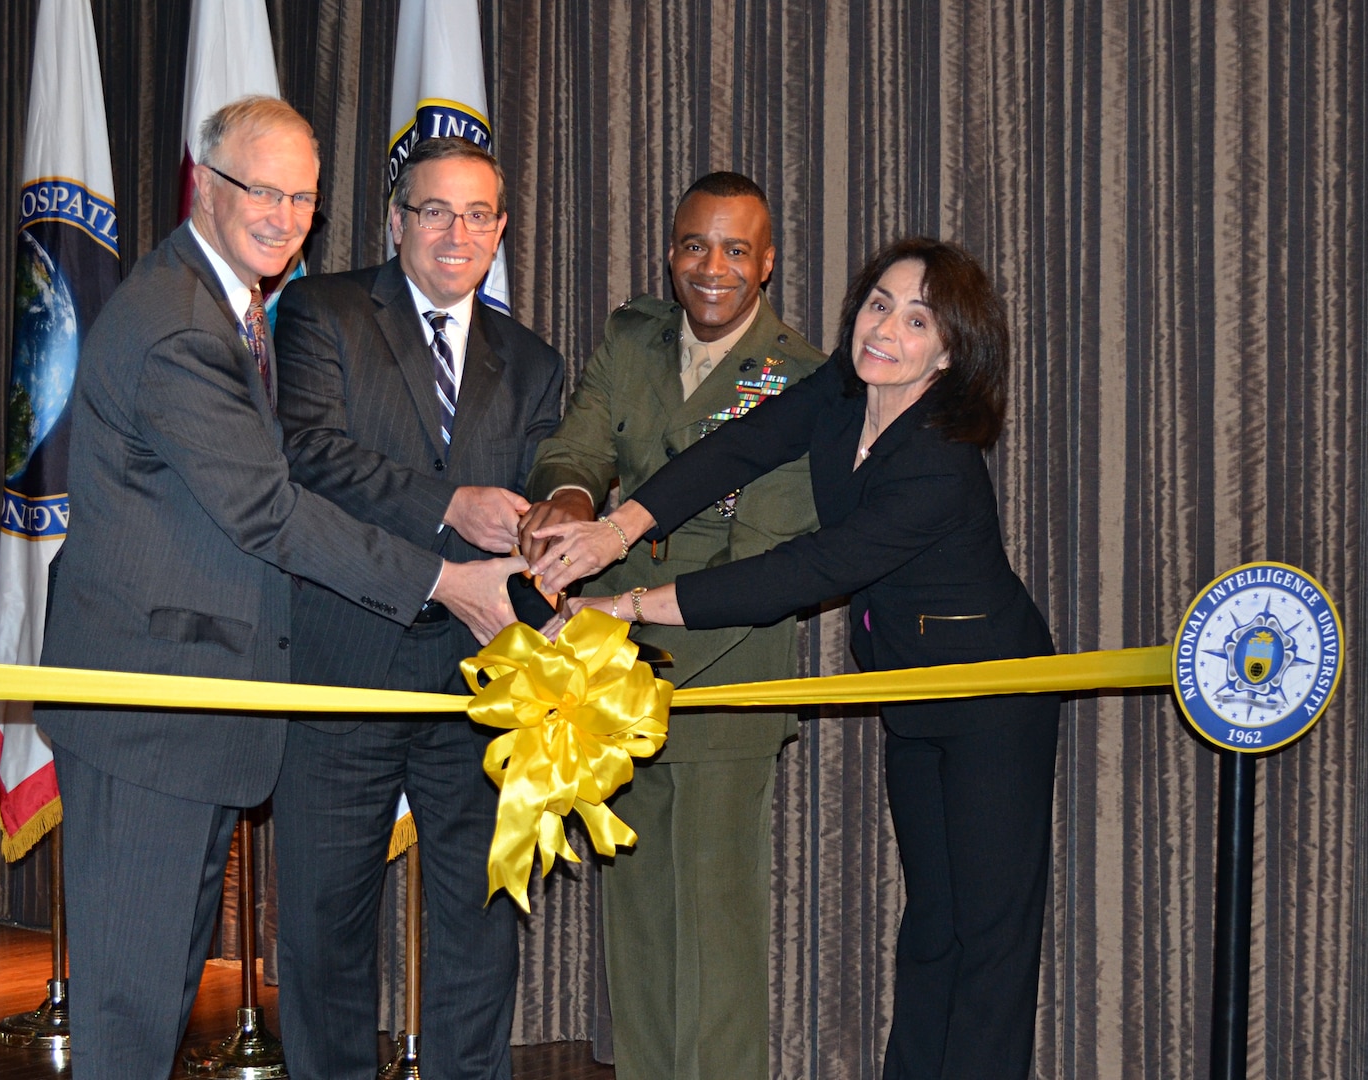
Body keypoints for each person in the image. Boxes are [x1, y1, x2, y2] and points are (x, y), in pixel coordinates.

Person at [34, 97, 524, 1079]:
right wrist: (447, 582)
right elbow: (267, 512)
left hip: (194, 710)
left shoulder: (223, 302)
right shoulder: (179, 324)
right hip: (155, 706)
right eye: (263, 189)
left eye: (302, 196)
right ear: (205, 188)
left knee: (158, 990)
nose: (285, 215)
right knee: (132, 1007)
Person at [533, 237, 1061, 1080]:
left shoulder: (939, 462)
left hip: (995, 699)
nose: (884, 327)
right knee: (931, 922)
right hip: (913, 688)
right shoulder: (842, 393)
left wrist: (626, 605)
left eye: (916, 318)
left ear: (951, 349)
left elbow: (805, 572)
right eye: (878, 303)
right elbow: (735, 449)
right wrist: (617, 528)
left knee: (990, 937)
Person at [515, 170, 824, 1080]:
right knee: (639, 925)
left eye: (736, 249)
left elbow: (761, 557)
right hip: (610, 670)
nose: (712, 267)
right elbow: (576, 448)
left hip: (724, 671)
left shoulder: (798, 378)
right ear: (670, 250)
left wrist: (625, 629)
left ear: (767, 264)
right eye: (695, 244)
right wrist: (566, 509)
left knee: (716, 936)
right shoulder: (632, 335)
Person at [270, 136, 564, 1080]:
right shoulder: (321, 312)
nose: (457, 231)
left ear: (502, 230)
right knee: (324, 928)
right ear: (396, 222)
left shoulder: (533, 362)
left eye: (478, 214)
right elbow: (307, 454)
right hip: (340, 667)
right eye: (435, 209)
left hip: (476, 682)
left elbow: (546, 493)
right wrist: (448, 505)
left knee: (482, 924)